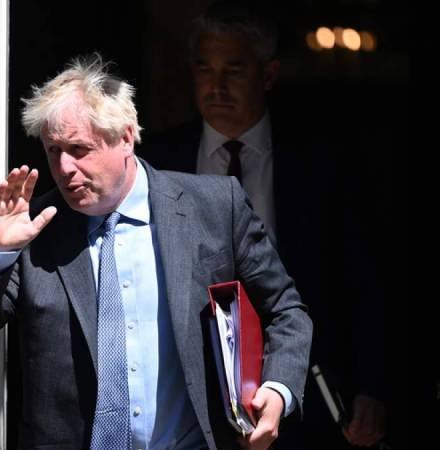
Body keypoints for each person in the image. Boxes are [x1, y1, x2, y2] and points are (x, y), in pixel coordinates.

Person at [0, 55, 312, 450]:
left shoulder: (212, 207)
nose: (65, 167)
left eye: (79, 148)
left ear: (125, 137)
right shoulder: (36, 226)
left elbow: (285, 310)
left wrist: (277, 389)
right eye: (54, 151)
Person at [138, 3, 387, 448]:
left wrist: (371, 386)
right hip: (187, 393)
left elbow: (360, 279)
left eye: (233, 71)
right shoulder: (157, 163)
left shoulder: (320, 163)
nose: (216, 86)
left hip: (307, 389)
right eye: (204, 68)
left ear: (268, 75)